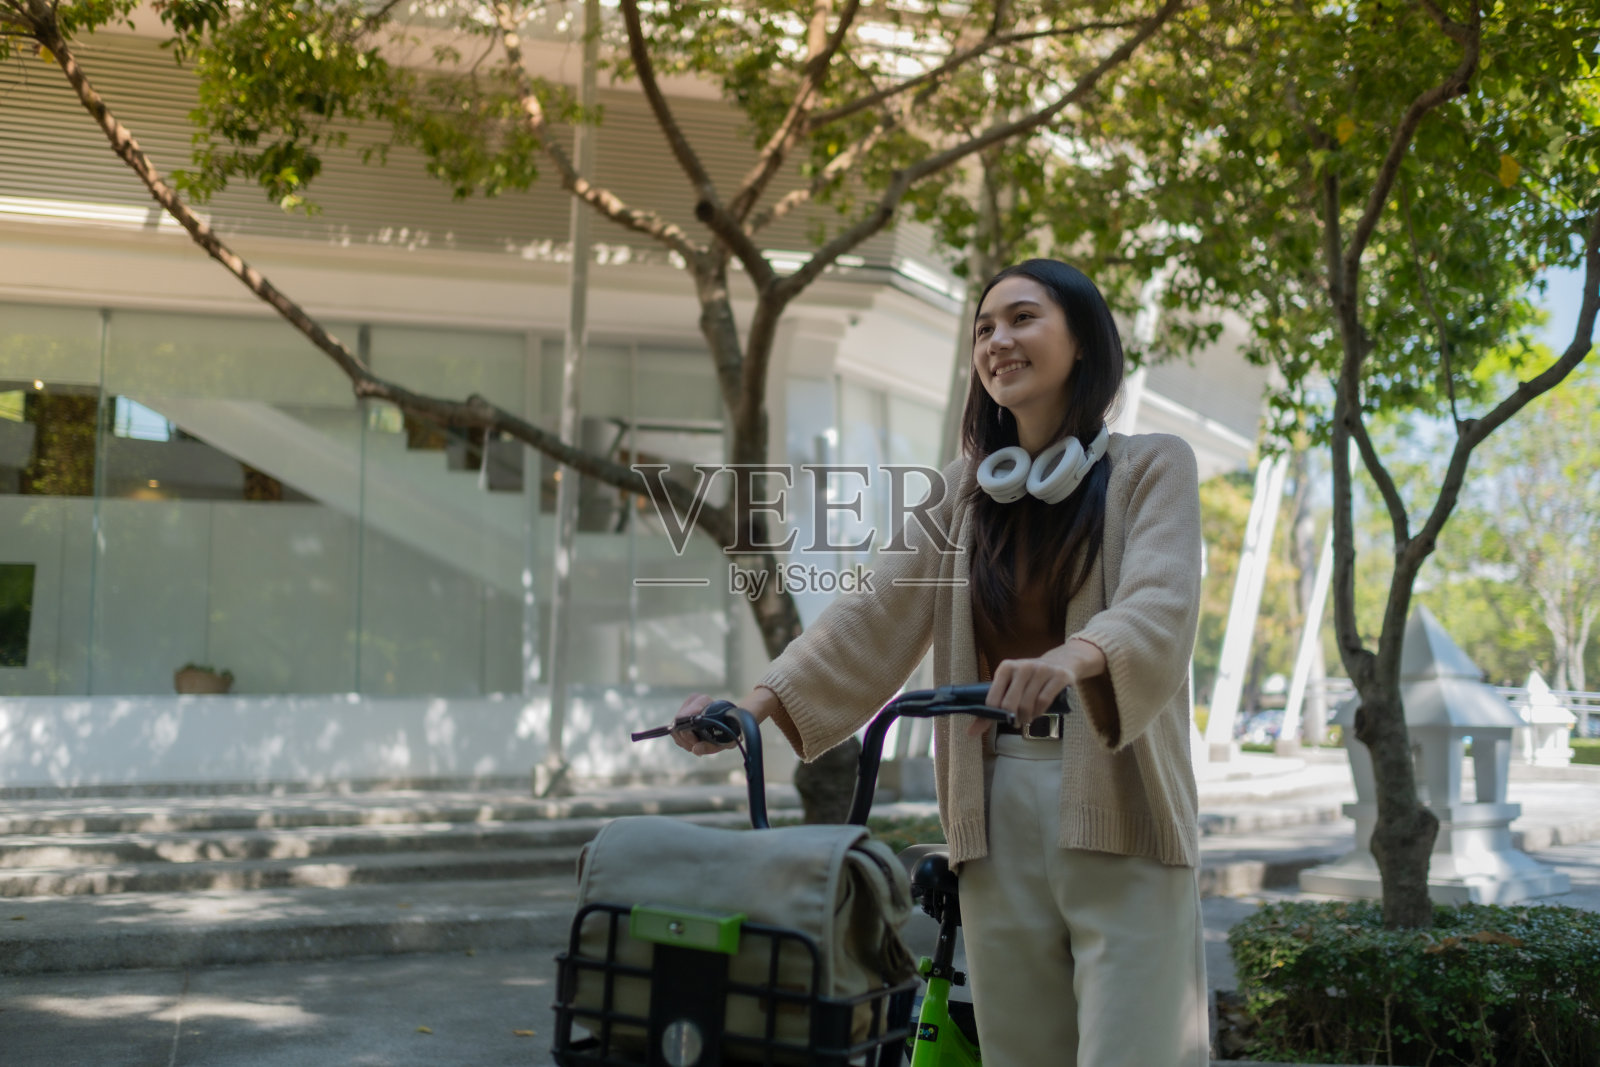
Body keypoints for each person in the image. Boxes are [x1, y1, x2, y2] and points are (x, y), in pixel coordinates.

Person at [673, 258, 1208, 1067]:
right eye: (984, 328)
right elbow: (872, 612)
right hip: (992, 812)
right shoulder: (963, 492)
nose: (999, 340)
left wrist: (1071, 657)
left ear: (1084, 342)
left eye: (1023, 318)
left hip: (1120, 799)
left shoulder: (1151, 467)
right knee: (1018, 1053)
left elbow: (1162, 602)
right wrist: (754, 707)